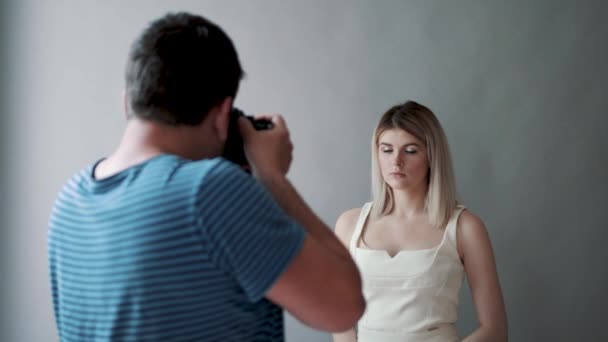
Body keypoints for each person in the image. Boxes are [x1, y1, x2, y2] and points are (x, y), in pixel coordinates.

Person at [47, 12, 364, 342]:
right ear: (223, 115)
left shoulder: (69, 201)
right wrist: (271, 176)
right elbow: (344, 306)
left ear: (128, 101)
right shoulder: (209, 190)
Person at [333, 101, 507, 342]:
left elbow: (495, 330)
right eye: (386, 149)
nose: (396, 161)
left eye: (411, 150)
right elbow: (340, 319)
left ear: (431, 156)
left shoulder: (465, 228)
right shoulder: (349, 225)